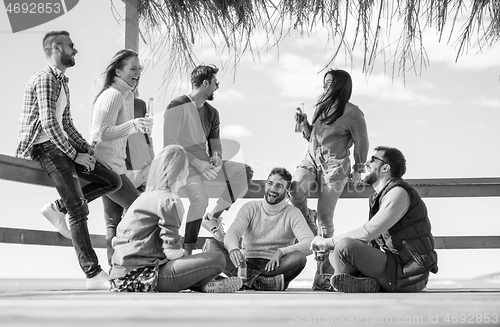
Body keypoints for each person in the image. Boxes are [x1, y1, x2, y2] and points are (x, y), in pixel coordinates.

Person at [15, 31, 122, 289]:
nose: (75, 50)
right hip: (44, 147)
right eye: (71, 46)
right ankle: (93, 274)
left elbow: (66, 123)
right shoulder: (44, 78)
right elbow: (50, 124)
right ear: (55, 47)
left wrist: (85, 147)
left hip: (60, 146)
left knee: (112, 180)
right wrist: (76, 155)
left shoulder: (62, 81)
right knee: (79, 208)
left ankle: (57, 207)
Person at [109, 145, 242, 293]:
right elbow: (172, 252)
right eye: (187, 167)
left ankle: (205, 285)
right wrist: (188, 260)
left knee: (196, 266)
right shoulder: (169, 201)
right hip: (144, 276)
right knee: (217, 259)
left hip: (120, 276)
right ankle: (206, 282)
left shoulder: (148, 196)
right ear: (178, 172)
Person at [310, 146, 439, 293]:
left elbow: (368, 232)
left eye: (372, 160)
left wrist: (326, 242)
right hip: (394, 266)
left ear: (385, 167)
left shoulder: (398, 193)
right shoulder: (378, 197)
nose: (366, 164)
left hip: (410, 275)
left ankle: (353, 282)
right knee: (336, 253)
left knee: (344, 246)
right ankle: (364, 283)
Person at [288, 68, 369, 288]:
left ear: (341, 85)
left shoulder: (353, 113)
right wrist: (304, 123)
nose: (325, 87)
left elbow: (362, 141)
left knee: (324, 218)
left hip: (335, 168)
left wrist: (359, 169)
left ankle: (323, 269)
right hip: (311, 162)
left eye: (330, 82)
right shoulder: (320, 108)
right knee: (294, 189)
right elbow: (310, 136)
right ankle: (308, 217)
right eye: (324, 83)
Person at [163, 64, 253, 255]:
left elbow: (215, 144)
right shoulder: (177, 105)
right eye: (215, 82)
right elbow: (170, 144)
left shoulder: (212, 113)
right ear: (205, 83)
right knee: (200, 199)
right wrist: (197, 163)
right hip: (183, 166)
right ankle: (187, 252)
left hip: (205, 165)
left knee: (244, 172)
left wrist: (217, 157)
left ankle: (212, 217)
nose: (216, 87)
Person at [90, 49, 154, 265]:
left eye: (140, 68)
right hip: (108, 166)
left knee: (115, 221)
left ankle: (117, 270)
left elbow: (130, 138)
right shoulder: (113, 95)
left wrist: (142, 134)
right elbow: (102, 133)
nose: (138, 72)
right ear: (118, 70)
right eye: (133, 68)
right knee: (137, 211)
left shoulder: (126, 97)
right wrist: (133, 125)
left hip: (117, 166)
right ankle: (127, 266)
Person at [204, 167, 314, 291]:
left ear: (287, 189)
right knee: (211, 245)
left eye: (279, 186)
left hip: (274, 267)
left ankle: (244, 281)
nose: (272, 189)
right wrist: (233, 249)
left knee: (299, 258)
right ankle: (261, 282)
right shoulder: (251, 208)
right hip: (245, 263)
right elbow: (233, 233)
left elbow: (310, 243)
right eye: (270, 183)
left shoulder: (292, 213)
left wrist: (282, 251)